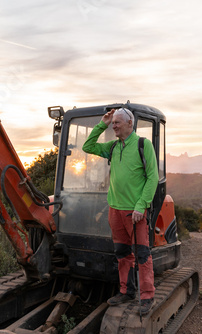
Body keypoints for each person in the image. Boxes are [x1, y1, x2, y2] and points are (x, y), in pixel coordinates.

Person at [82, 107, 159, 315]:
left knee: (142, 255)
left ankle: (147, 296)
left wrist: (141, 206)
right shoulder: (113, 147)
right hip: (115, 211)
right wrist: (102, 123)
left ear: (129, 124)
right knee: (122, 254)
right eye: (113, 122)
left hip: (135, 213)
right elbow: (88, 146)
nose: (114, 126)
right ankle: (126, 291)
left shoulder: (143, 145)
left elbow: (153, 177)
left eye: (117, 122)